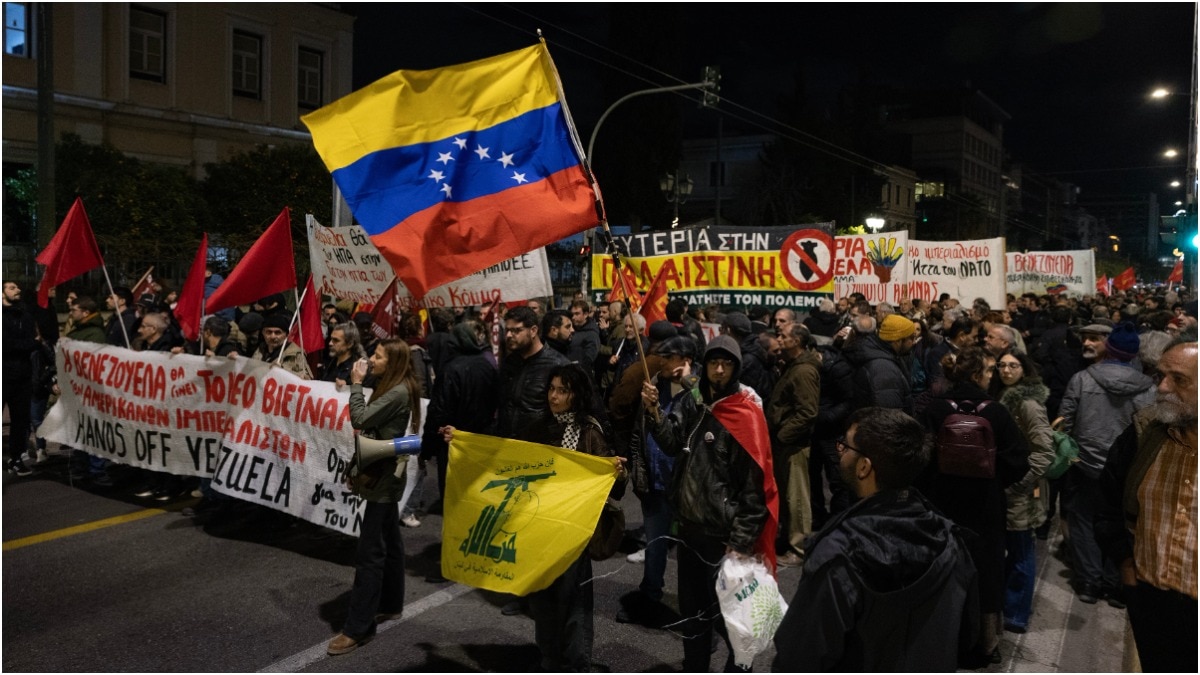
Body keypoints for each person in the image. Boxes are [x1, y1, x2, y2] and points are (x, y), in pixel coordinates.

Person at [772, 407, 980, 672]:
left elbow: (800, 657)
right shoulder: (951, 539)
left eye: (845, 446)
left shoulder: (838, 556)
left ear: (864, 467)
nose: (840, 452)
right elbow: (967, 636)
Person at [644, 334, 777, 672]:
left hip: (723, 538)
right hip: (689, 530)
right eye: (713, 363)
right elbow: (673, 443)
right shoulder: (693, 401)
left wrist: (741, 542)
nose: (719, 370)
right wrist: (655, 414)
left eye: (726, 364)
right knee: (693, 616)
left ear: (735, 368)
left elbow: (755, 489)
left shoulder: (745, 414)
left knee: (729, 618)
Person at [919, 346, 1029, 664]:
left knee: (944, 566)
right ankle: (985, 643)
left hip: (941, 503)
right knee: (987, 570)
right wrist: (993, 481)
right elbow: (1018, 460)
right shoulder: (995, 411)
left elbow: (919, 455)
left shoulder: (935, 409)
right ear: (980, 375)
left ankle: (944, 636)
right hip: (985, 505)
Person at [1096, 342, 1197, 673]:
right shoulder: (1144, 433)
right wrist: (1125, 562)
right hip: (1151, 599)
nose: (1162, 387)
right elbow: (1108, 502)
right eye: (1161, 376)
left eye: (1179, 379)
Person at [518, 363, 618, 672]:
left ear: (577, 395)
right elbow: (511, 461)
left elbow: (611, 483)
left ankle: (577, 664)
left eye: (563, 390)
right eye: (551, 389)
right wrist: (460, 440)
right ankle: (550, 659)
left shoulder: (589, 432)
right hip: (541, 529)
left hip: (574, 534)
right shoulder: (537, 428)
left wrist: (617, 470)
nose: (554, 396)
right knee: (543, 602)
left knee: (574, 603)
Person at [327, 339, 422, 656]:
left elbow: (361, 420)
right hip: (386, 474)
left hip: (383, 479)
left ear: (392, 362)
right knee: (389, 541)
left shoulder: (395, 392)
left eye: (378, 356)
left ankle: (359, 628)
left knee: (369, 555)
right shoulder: (397, 385)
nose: (372, 360)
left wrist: (356, 384)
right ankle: (391, 603)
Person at [1059, 321, 1155, 605]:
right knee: (1121, 525)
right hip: (1125, 470)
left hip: (1085, 463)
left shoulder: (1082, 379)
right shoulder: (1148, 389)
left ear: (1109, 349)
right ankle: (1115, 584)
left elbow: (1064, 421)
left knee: (1083, 520)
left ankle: (1089, 581)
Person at [617, 336, 695, 626]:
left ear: (684, 361)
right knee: (655, 544)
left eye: (667, 358)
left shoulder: (697, 389)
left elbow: (709, 408)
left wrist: (690, 382)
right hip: (654, 479)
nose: (660, 364)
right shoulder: (653, 386)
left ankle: (699, 614)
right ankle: (650, 595)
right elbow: (636, 427)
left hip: (685, 486)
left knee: (692, 553)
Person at [991, 350, 1056, 634]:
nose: (1006, 370)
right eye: (1002, 365)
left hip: (1022, 491)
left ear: (1024, 369)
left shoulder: (1027, 403)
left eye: (1013, 366)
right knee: (1012, 548)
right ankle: (1009, 603)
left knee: (1021, 551)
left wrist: (1021, 482)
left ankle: (1016, 614)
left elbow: (1044, 452)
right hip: (1006, 486)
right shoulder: (1002, 397)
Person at [765, 324, 821, 567]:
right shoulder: (792, 366)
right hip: (787, 442)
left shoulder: (803, 371)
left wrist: (782, 436)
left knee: (796, 497)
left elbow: (808, 412)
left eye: (784, 336)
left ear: (797, 341)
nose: (779, 339)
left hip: (793, 445)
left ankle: (798, 549)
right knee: (788, 495)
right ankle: (790, 541)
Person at [844, 313, 917, 414]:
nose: (914, 342)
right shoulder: (883, 370)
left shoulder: (884, 357)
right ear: (898, 341)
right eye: (911, 338)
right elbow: (888, 417)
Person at [3, 281, 38, 476]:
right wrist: (26, 344)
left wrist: (26, 344)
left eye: (17, 287)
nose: (17, 290)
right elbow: (5, 345)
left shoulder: (25, 315)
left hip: (22, 376)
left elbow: (33, 342)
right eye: (11, 287)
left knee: (20, 420)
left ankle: (16, 459)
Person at [254, 313, 313, 379]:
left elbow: (306, 380)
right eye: (269, 332)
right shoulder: (259, 350)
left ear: (286, 335)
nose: (272, 336)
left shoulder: (295, 354)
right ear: (263, 333)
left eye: (277, 332)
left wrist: (283, 371)